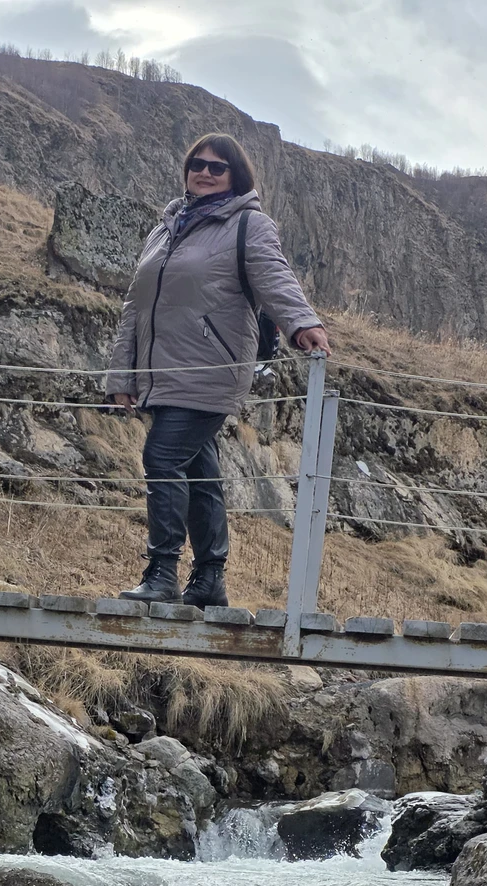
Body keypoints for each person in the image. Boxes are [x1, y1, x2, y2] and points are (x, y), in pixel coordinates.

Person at [105, 133, 331, 608]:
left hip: (213, 366)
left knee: (163, 458)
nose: (205, 172)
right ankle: (209, 582)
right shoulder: (166, 226)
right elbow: (135, 305)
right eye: (197, 164)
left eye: (218, 166)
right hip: (161, 372)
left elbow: (274, 276)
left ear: (236, 176)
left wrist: (301, 322)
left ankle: (162, 574)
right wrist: (122, 376)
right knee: (199, 471)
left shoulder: (249, 224)